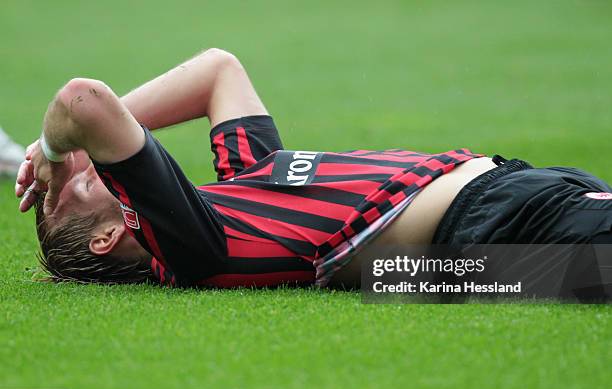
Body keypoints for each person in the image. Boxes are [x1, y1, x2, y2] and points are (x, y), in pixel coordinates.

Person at [14, 48, 612, 289]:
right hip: (490, 223)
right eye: (71, 190)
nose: (71, 170)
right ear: (107, 236)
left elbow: (218, 70)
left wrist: (66, 152)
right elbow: (83, 103)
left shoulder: (240, 193)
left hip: (508, 205)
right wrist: (53, 146)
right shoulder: (189, 245)